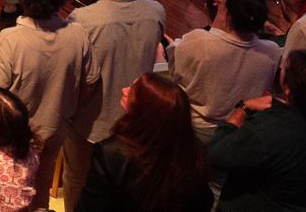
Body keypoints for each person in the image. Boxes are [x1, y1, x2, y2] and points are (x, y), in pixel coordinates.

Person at [0, 0, 96, 205]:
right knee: (40, 190)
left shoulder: (11, 39)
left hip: (14, 138)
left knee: (9, 196)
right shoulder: (78, 34)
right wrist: (68, 111)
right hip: (54, 130)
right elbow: (90, 83)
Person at [63, 0, 167, 202]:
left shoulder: (83, 19)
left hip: (89, 126)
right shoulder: (156, 11)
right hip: (135, 124)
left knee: (79, 185)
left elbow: (75, 77)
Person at [208, 51, 306, 211]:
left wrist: (244, 108)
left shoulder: (269, 130)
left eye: (284, 68)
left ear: (288, 89)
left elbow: (215, 154)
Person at [75, 73, 212, 212]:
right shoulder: (194, 151)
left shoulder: (110, 154)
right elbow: (205, 202)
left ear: (146, 109)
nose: (124, 90)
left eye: (133, 90)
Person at [167, 0, 281, 140]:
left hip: (194, 129)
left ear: (226, 13)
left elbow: (173, 70)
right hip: (240, 130)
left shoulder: (199, 41)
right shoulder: (272, 51)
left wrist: (217, 24)